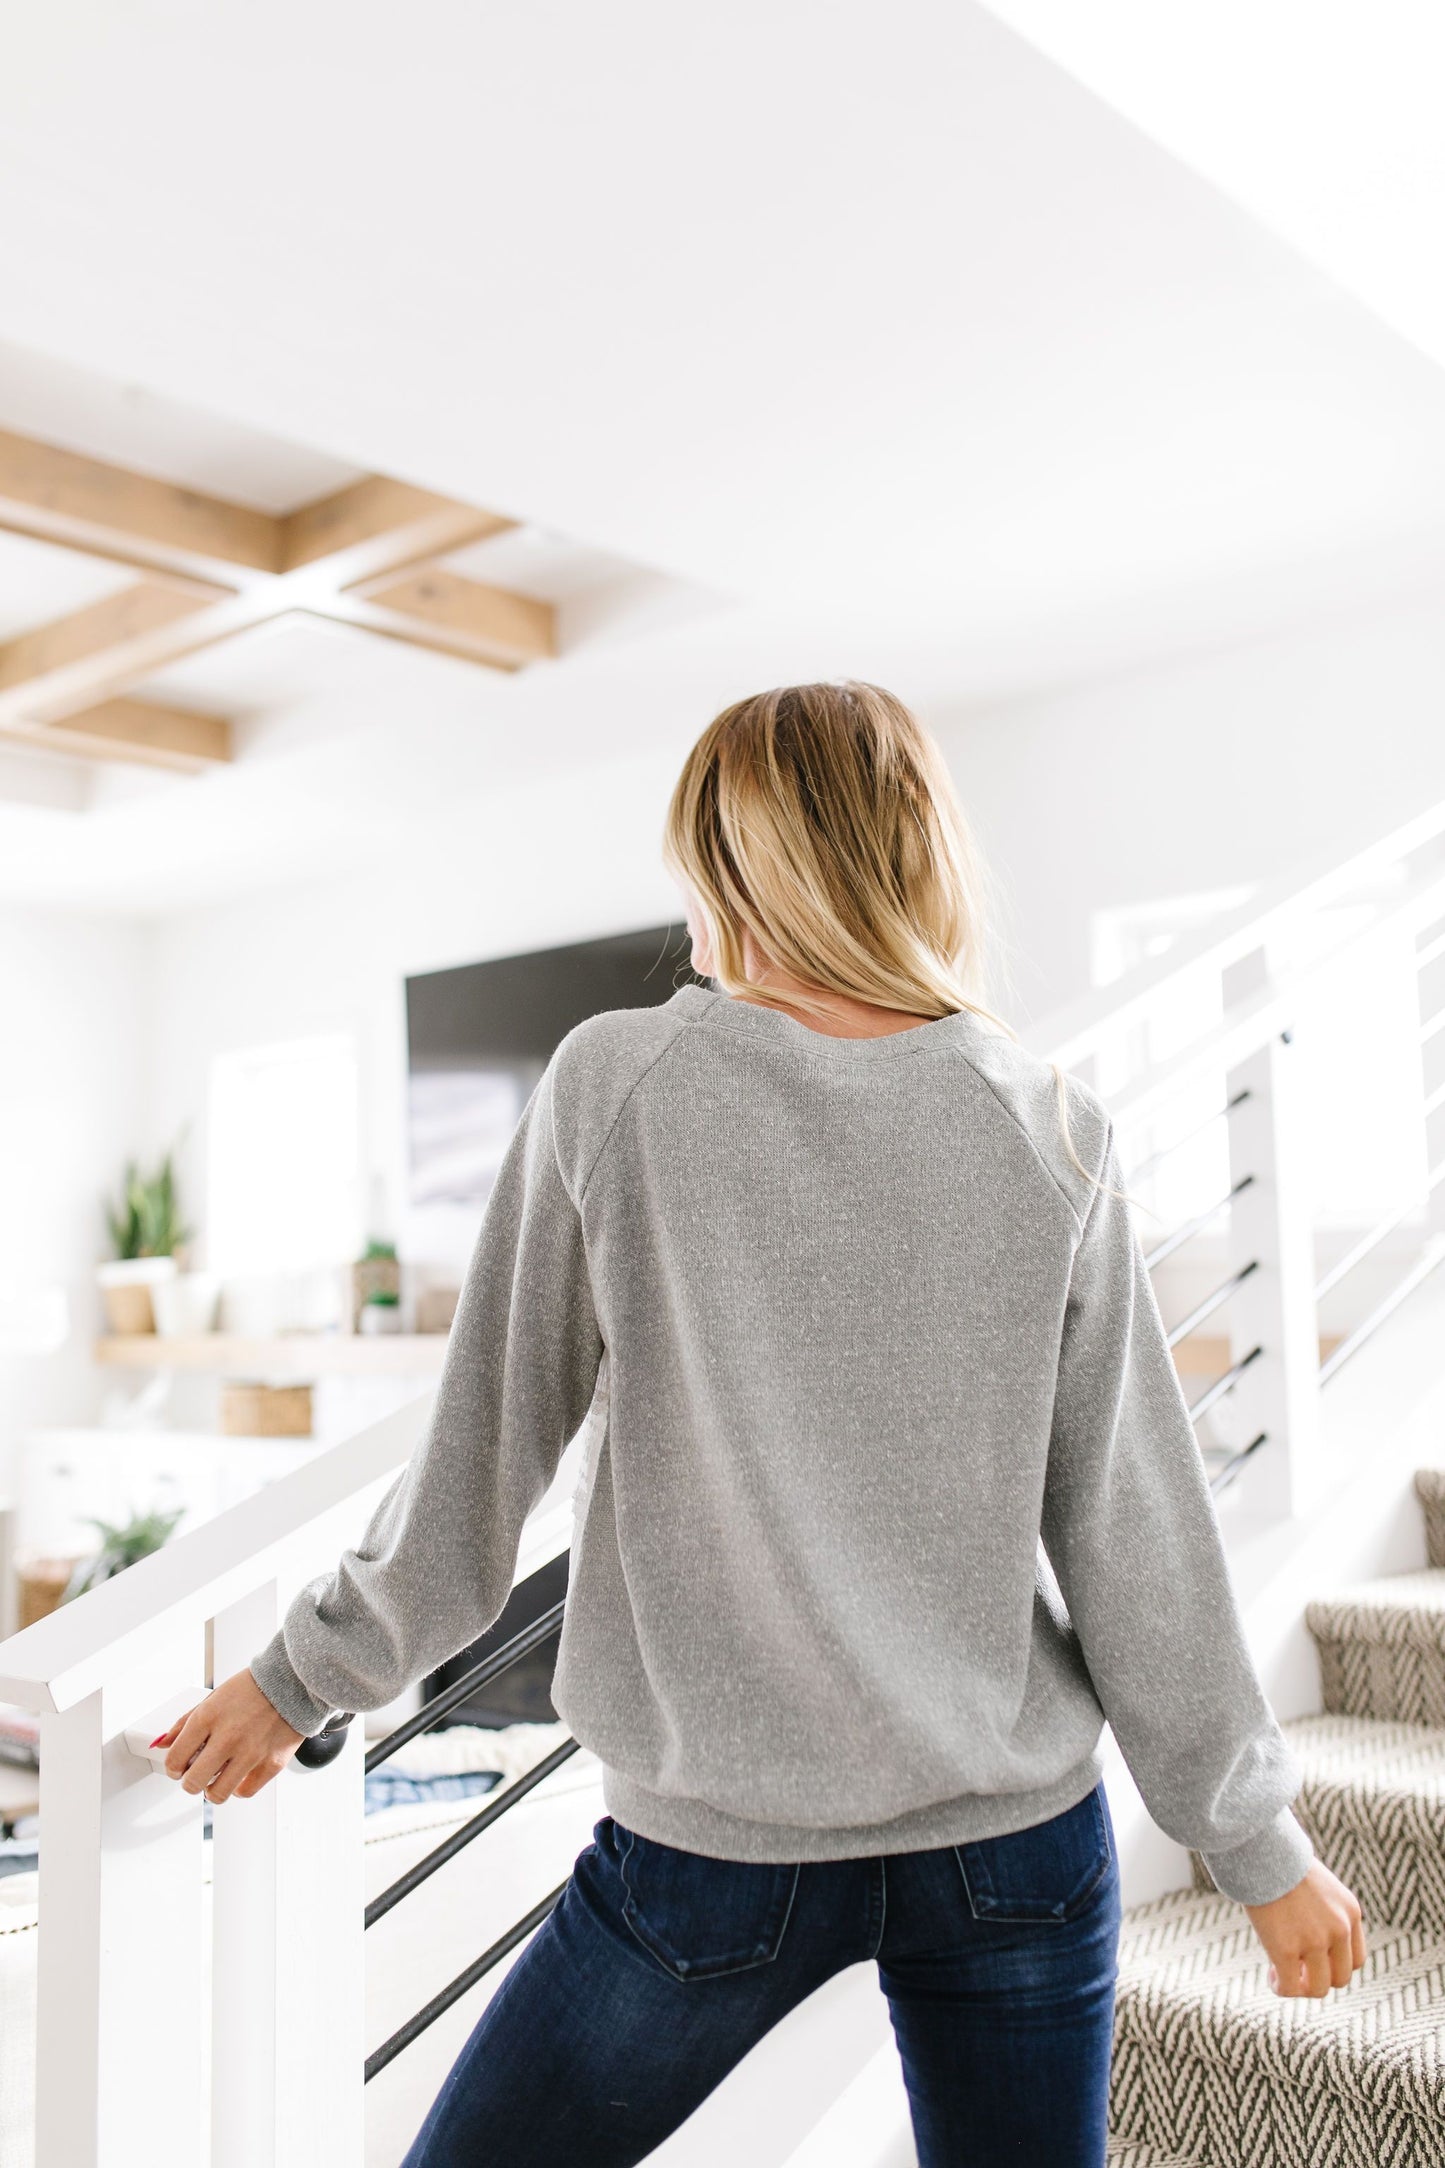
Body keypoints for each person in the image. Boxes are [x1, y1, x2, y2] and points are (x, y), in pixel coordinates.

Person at [160, 681, 1365, 2167]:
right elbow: (1136, 1541)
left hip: (708, 1865)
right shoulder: (1046, 1123)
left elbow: (485, 1449)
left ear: (725, 864)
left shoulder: (619, 1085)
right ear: (918, 848)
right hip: (1013, 1850)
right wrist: (1255, 1850)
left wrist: (301, 1678)